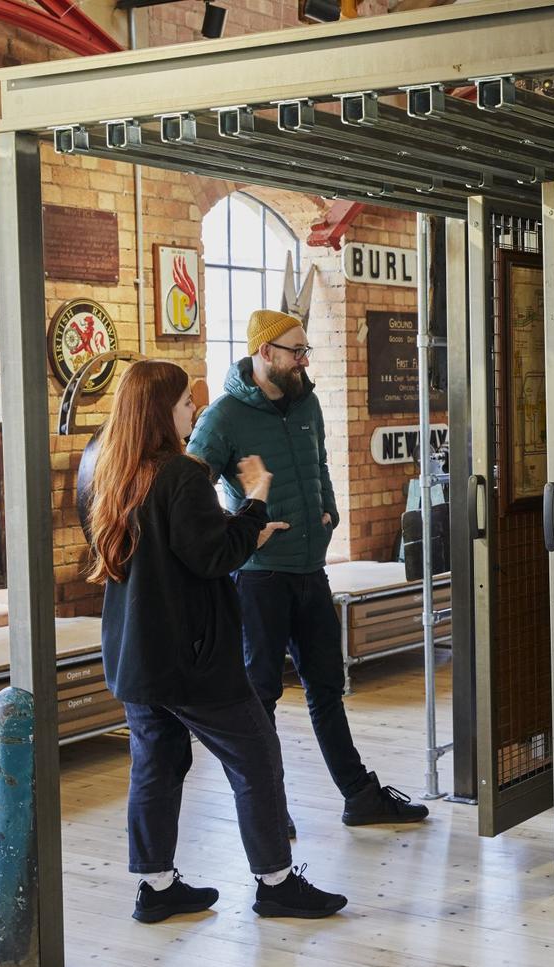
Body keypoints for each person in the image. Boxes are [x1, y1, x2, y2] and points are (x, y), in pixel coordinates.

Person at [87, 358, 347, 923]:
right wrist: (254, 503)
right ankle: (276, 882)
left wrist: (248, 526)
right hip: (190, 658)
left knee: (155, 764)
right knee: (256, 755)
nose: (194, 411)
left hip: (136, 655)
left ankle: (156, 887)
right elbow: (211, 557)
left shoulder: (115, 471)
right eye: (185, 403)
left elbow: (183, 549)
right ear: (160, 411)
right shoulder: (179, 474)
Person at [189, 310, 428, 833]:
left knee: (327, 687)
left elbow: (319, 464)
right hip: (258, 577)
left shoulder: (308, 403)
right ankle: (268, 808)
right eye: (295, 350)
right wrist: (236, 529)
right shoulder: (224, 416)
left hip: (309, 569)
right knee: (261, 697)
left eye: (305, 350)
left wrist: (329, 514)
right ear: (265, 353)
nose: (303, 359)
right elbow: (190, 488)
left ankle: (359, 795)